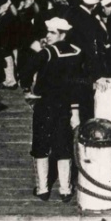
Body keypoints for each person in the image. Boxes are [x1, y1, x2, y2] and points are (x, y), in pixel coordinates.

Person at [22, 17, 83, 202]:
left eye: (52, 32)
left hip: (45, 104)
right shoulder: (77, 52)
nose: (47, 35)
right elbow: (77, 84)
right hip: (67, 106)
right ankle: (65, 189)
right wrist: (76, 111)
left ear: (62, 34)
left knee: (41, 145)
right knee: (63, 144)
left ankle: (43, 188)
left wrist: (28, 88)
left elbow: (26, 70)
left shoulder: (47, 53)